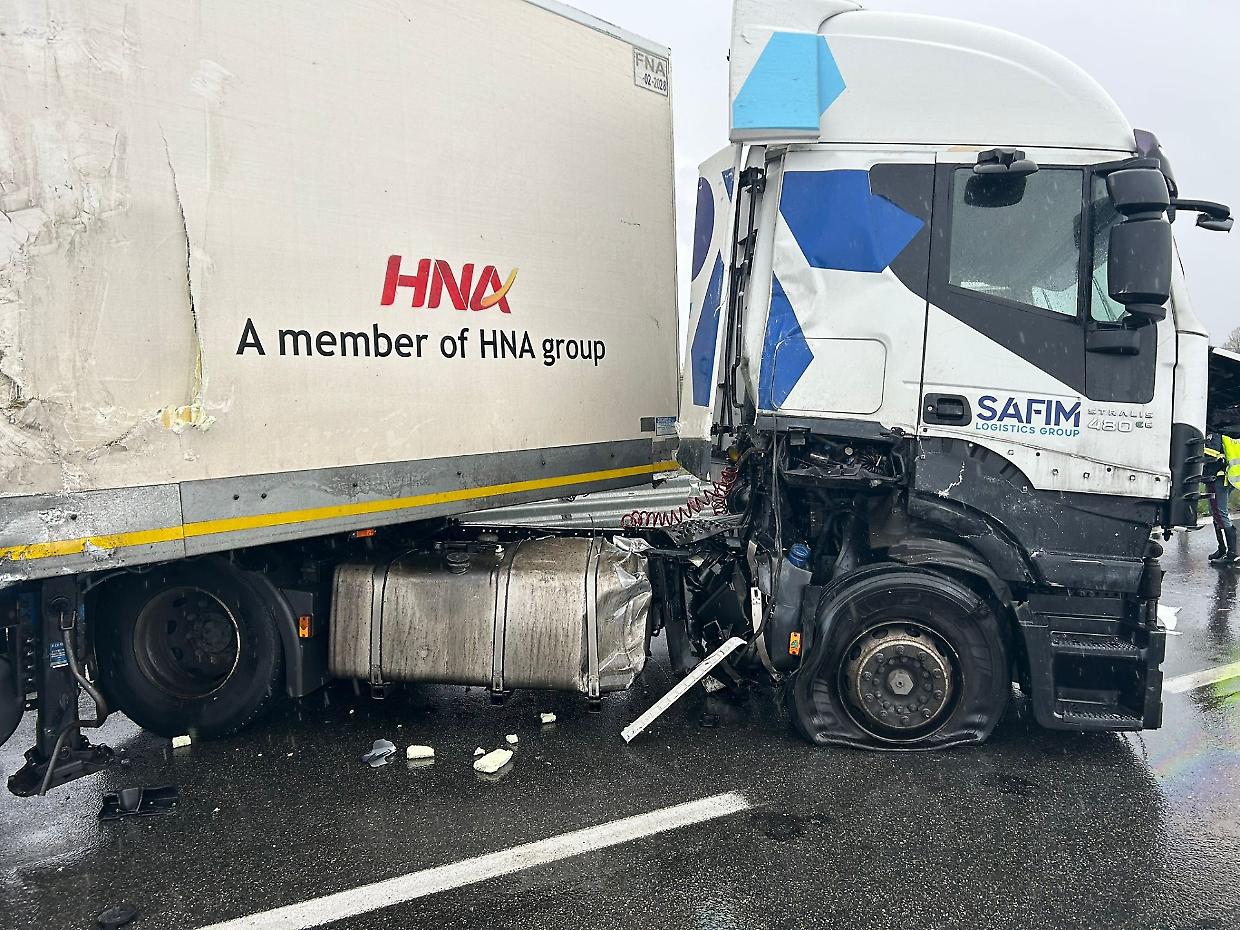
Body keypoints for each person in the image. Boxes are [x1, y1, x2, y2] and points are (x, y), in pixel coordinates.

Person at [1205, 430, 1240, 565]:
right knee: (1216, 512)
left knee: (1220, 513)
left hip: (1218, 476)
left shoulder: (1214, 432)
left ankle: (1232, 554)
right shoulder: (1227, 429)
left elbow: (1213, 452)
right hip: (1226, 476)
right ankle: (1222, 549)